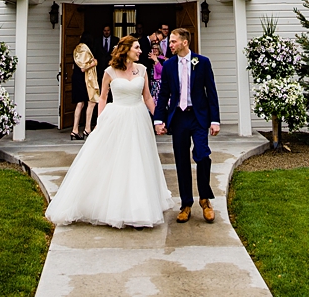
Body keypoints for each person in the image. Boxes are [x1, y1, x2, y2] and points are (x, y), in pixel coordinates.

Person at [44, 36, 174, 228]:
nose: (140, 51)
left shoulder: (143, 70)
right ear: (126, 49)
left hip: (138, 118)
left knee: (139, 160)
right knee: (116, 160)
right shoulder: (109, 71)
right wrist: (101, 120)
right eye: (137, 48)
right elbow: (102, 98)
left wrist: (159, 119)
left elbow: (147, 97)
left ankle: (139, 207)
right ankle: (112, 205)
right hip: (117, 116)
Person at [154, 28, 221, 224]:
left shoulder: (203, 62)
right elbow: (163, 95)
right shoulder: (168, 65)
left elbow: (212, 92)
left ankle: (205, 200)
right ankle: (186, 203)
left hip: (199, 117)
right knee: (181, 160)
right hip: (179, 118)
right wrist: (159, 119)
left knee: (202, 155)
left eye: (173, 41)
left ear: (184, 42)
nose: (170, 44)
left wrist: (215, 120)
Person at [70, 41, 99, 140]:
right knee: (91, 102)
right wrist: (94, 63)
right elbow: (83, 67)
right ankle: (87, 128)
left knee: (80, 103)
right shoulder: (84, 50)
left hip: (76, 77)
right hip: (83, 79)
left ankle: (75, 130)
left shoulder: (76, 50)